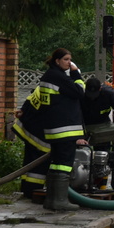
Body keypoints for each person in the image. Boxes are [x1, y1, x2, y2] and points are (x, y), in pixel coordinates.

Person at [38, 48, 87, 211]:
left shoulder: (49, 76)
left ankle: (52, 200)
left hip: (54, 128)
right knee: (65, 164)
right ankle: (59, 201)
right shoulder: (59, 77)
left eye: (70, 59)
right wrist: (76, 74)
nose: (69, 62)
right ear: (57, 61)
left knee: (56, 163)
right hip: (65, 128)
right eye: (66, 59)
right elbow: (80, 92)